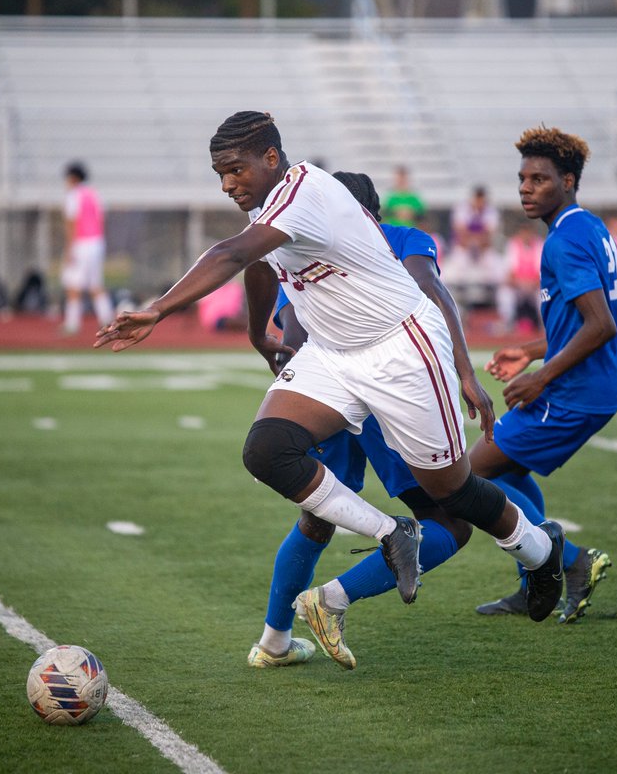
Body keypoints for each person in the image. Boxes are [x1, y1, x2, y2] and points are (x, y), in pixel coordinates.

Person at [96, 112, 569, 645]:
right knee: (267, 451)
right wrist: (258, 334)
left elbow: (232, 253)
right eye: (219, 174)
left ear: (271, 158)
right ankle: (391, 533)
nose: (226, 184)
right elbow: (257, 263)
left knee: (451, 491)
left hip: (401, 348)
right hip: (333, 353)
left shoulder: (305, 192)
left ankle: (540, 550)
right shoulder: (266, 204)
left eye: (234, 170)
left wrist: (158, 309)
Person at [251, 171, 472, 670]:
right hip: (391, 390)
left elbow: (292, 334)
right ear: (372, 214)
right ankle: (332, 598)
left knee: (317, 516)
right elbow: (429, 289)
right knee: (452, 515)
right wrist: (463, 371)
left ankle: (274, 642)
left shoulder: (302, 245)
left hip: (327, 394)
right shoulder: (400, 238)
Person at [470, 124, 617, 623]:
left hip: (575, 389)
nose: (526, 188)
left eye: (539, 179)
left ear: (568, 181)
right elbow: (587, 321)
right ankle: (531, 584)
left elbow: (601, 325)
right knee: (507, 469)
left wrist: (541, 376)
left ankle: (571, 561)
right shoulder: (587, 227)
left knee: (470, 475)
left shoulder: (565, 241)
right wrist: (532, 351)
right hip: (590, 381)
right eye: (523, 178)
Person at [60, 162, 115, 335]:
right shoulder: (94, 193)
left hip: (81, 243)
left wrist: (69, 249)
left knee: (73, 284)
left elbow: (72, 223)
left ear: (73, 178)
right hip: (97, 242)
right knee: (95, 284)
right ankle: (108, 320)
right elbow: (101, 219)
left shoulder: (73, 195)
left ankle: (72, 324)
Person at [497, 221, 544, 334]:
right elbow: (509, 272)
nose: (526, 235)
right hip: (518, 286)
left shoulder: (540, 245)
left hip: (535, 286)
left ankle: (544, 325)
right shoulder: (512, 245)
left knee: (544, 295)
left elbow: (542, 272)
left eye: (528, 232)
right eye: (524, 232)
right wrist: (520, 283)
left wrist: (531, 284)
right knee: (505, 294)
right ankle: (508, 323)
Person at [451, 185, 500, 250]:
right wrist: (474, 237)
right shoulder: (462, 209)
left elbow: (491, 231)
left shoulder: (491, 211)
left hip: (484, 249)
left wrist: (477, 237)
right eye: (477, 199)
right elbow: (459, 229)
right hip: (463, 249)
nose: (479, 203)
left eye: (481, 200)